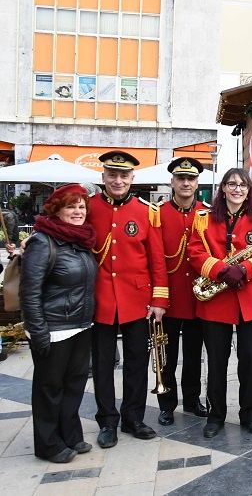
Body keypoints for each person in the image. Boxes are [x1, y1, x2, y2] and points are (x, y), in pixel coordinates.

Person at [89, 151, 169, 449]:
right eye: (113, 174)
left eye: (124, 175)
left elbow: (157, 260)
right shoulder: (88, 207)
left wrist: (159, 299)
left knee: (137, 361)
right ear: (104, 177)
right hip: (101, 299)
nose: (118, 180)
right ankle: (107, 420)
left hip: (138, 299)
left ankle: (133, 417)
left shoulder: (147, 211)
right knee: (102, 363)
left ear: (133, 179)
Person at [187, 168, 252, 438]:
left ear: (249, 190)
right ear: (222, 189)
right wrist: (222, 270)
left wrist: (244, 269)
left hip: (250, 299)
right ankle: (215, 416)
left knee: (251, 361)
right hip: (217, 300)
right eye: (231, 184)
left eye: (243, 185)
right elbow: (195, 252)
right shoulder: (204, 219)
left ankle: (250, 414)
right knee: (217, 362)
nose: (237, 189)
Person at [20, 184, 96, 463]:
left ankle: (71, 434)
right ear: (57, 210)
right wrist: (38, 331)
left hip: (80, 325)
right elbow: (30, 291)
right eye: (70, 207)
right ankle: (49, 444)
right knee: (49, 389)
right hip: (53, 328)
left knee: (74, 385)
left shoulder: (81, 240)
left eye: (81, 207)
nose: (77, 212)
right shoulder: (42, 242)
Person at [156, 158, 209, 426]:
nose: (186, 183)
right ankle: (167, 404)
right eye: (181, 179)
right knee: (167, 356)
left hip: (198, 299)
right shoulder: (158, 213)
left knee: (193, 355)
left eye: (191, 179)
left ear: (197, 183)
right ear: (172, 182)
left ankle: (192, 399)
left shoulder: (207, 213)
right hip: (169, 299)